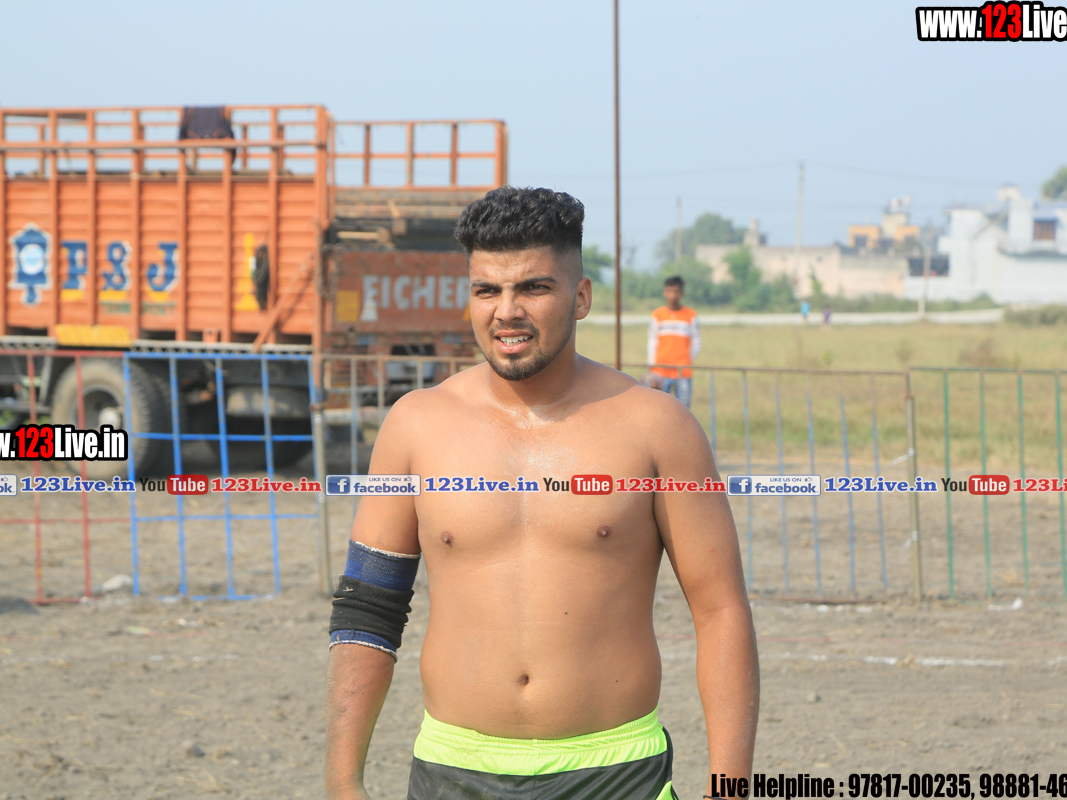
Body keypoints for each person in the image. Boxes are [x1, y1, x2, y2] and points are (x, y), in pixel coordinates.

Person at [324, 187, 759, 800]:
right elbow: (368, 609)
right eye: (486, 290)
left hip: (615, 773)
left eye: (533, 287)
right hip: (453, 770)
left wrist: (730, 790)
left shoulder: (658, 428)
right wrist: (343, 781)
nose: (507, 311)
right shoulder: (415, 427)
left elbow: (720, 611)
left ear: (580, 297)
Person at [645, 276, 701, 408]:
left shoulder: (690, 315)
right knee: (659, 409)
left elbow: (697, 342)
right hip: (661, 371)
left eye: (676, 291)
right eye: (669, 291)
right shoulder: (658, 315)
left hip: (682, 372)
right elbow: (652, 341)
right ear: (664, 292)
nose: (672, 295)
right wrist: (652, 367)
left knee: (684, 409)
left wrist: (687, 361)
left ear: (681, 293)